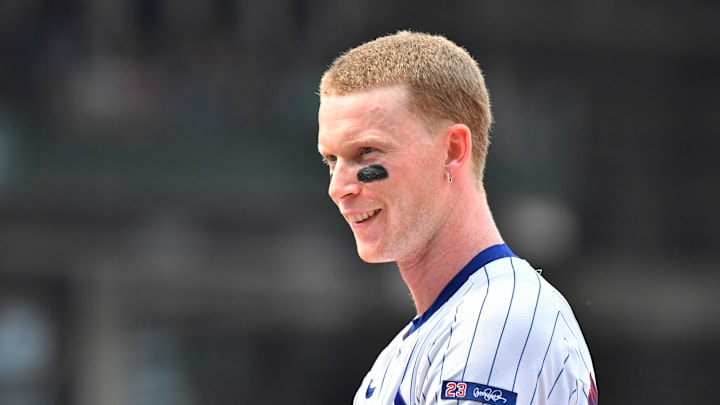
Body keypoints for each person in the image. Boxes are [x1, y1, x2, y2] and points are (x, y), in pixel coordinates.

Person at [316, 31, 597, 405]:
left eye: (366, 152)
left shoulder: (498, 319)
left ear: (452, 150)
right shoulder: (421, 342)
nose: (338, 187)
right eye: (331, 160)